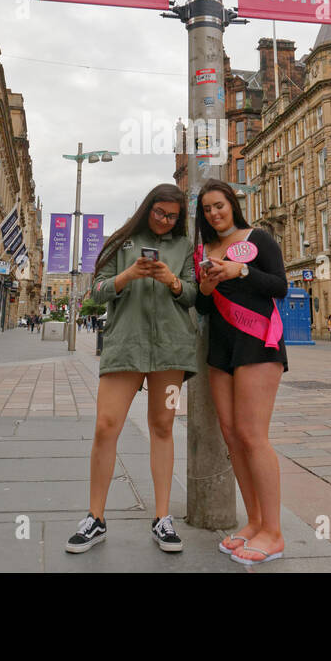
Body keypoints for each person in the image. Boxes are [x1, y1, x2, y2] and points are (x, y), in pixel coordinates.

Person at [65, 184, 197, 555]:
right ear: (147, 208)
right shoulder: (121, 242)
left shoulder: (184, 247)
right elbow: (94, 292)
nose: (164, 220)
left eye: (171, 216)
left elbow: (193, 295)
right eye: (159, 213)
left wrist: (171, 280)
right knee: (106, 425)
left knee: (163, 426)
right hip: (125, 346)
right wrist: (129, 276)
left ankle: (162, 518)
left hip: (171, 351)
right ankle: (95, 517)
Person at [195, 178, 289, 566]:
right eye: (206, 209)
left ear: (232, 204)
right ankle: (254, 522)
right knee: (232, 436)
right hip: (221, 347)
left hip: (258, 342)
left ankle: (275, 532)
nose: (214, 213)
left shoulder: (259, 238)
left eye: (219, 205)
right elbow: (202, 308)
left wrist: (240, 272)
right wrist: (205, 285)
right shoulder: (202, 250)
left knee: (253, 435)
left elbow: (280, 286)